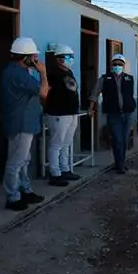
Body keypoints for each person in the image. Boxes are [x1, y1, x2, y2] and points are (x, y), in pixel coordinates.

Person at [1, 36, 49, 211]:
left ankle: (24, 190)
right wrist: (43, 73)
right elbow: (44, 92)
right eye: (34, 57)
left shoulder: (20, 72)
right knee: (16, 161)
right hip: (20, 123)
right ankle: (12, 197)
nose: (36, 60)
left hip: (25, 122)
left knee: (24, 160)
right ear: (26, 57)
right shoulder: (17, 73)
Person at [88, 53, 137, 174]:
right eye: (115, 64)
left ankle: (120, 162)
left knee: (124, 140)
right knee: (117, 139)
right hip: (114, 114)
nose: (117, 66)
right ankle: (120, 165)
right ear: (111, 65)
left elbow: (130, 95)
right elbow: (95, 93)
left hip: (127, 113)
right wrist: (91, 108)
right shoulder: (105, 79)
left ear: (124, 66)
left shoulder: (129, 78)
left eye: (120, 64)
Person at [45, 44, 81, 186]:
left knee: (66, 143)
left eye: (71, 57)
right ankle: (55, 173)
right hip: (59, 113)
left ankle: (65, 169)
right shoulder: (53, 74)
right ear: (59, 59)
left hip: (71, 113)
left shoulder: (69, 73)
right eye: (68, 57)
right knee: (56, 144)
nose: (71, 59)